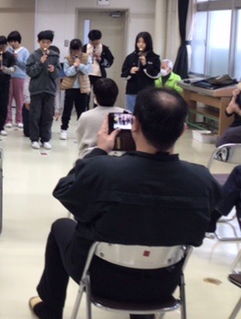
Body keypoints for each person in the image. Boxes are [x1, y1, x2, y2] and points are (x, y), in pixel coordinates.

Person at [28, 88, 222, 319]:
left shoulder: (102, 170)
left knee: (61, 226)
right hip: (162, 284)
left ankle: (50, 309)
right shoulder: (202, 181)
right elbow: (206, 226)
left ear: (135, 124)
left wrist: (98, 150)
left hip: (99, 277)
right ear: (182, 130)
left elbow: (64, 191)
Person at [26, 30, 61, 150]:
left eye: (48, 42)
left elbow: (58, 74)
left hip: (49, 90)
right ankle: (34, 139)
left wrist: (53, 70)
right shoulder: (34, 55)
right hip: (36, 89)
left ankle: (45, 139)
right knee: (35, 115)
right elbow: (29, 72)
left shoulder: (55, 56)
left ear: (51, 43)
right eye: (43, 42)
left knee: (48, 115)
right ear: (38, 42)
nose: (45, 45)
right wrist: (40, 63)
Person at [75, 78, 124, 158]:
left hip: (90, 157)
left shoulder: (85, 116)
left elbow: (80, 140)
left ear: (95, 97)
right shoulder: (125, 114)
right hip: (119, 158)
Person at [59, 39, 91, 140]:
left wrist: (79, 65)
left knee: (81, 111)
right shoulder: (67, 58)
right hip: (70, 87)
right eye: (73, 50)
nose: (76, 52)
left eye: (78, 50)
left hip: (82, 88)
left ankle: (81, 131)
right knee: (67, 110)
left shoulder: (87, 57)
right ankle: (64, 129)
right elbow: (67, 73)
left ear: (81, 49)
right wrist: (74, 66)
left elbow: (87, 70)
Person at [120, 31, 160, 112]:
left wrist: (145, 65)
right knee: (131, 114)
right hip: (132, 91)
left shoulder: (154, 58)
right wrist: (130, 71)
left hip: (148, 92)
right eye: (138, 42)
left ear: (148, 43)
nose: (140, 44)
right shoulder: (130, 57)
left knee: (146, 114)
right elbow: (123, 75)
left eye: (143, 42)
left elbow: (156, 75)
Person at [6, 31, 30, 129]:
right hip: (8, 76)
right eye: (10, 41)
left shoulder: (25, 51)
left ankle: (20, 120)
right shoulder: (8, 50)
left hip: (20, 77)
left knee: (20, 99)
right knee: (8, 99)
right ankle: (8, 120)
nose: (12, 44)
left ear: (18, 41)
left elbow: (27, 65)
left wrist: (17, 59)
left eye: (14, 41)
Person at [0, 35, 16, 136]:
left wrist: (5, 69)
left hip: (5, 84)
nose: (0, 49)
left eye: (2, 47)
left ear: (6, 45)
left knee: (3, 106)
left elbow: (14, 69)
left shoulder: (10, 56)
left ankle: (1, 127)